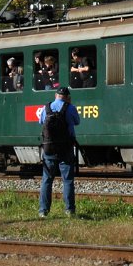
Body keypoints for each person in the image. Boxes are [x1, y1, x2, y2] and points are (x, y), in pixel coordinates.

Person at [36, 85, 81, 217]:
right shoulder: (70, 107)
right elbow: (77, 122)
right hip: (65, 149)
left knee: (47, 180)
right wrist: (69, 105)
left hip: (49, 148)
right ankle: (69, 210)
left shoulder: (47, 107)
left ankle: (43, 211)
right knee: (67, 180)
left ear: (56, 96)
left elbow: (41, 122)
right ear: (67, 98)